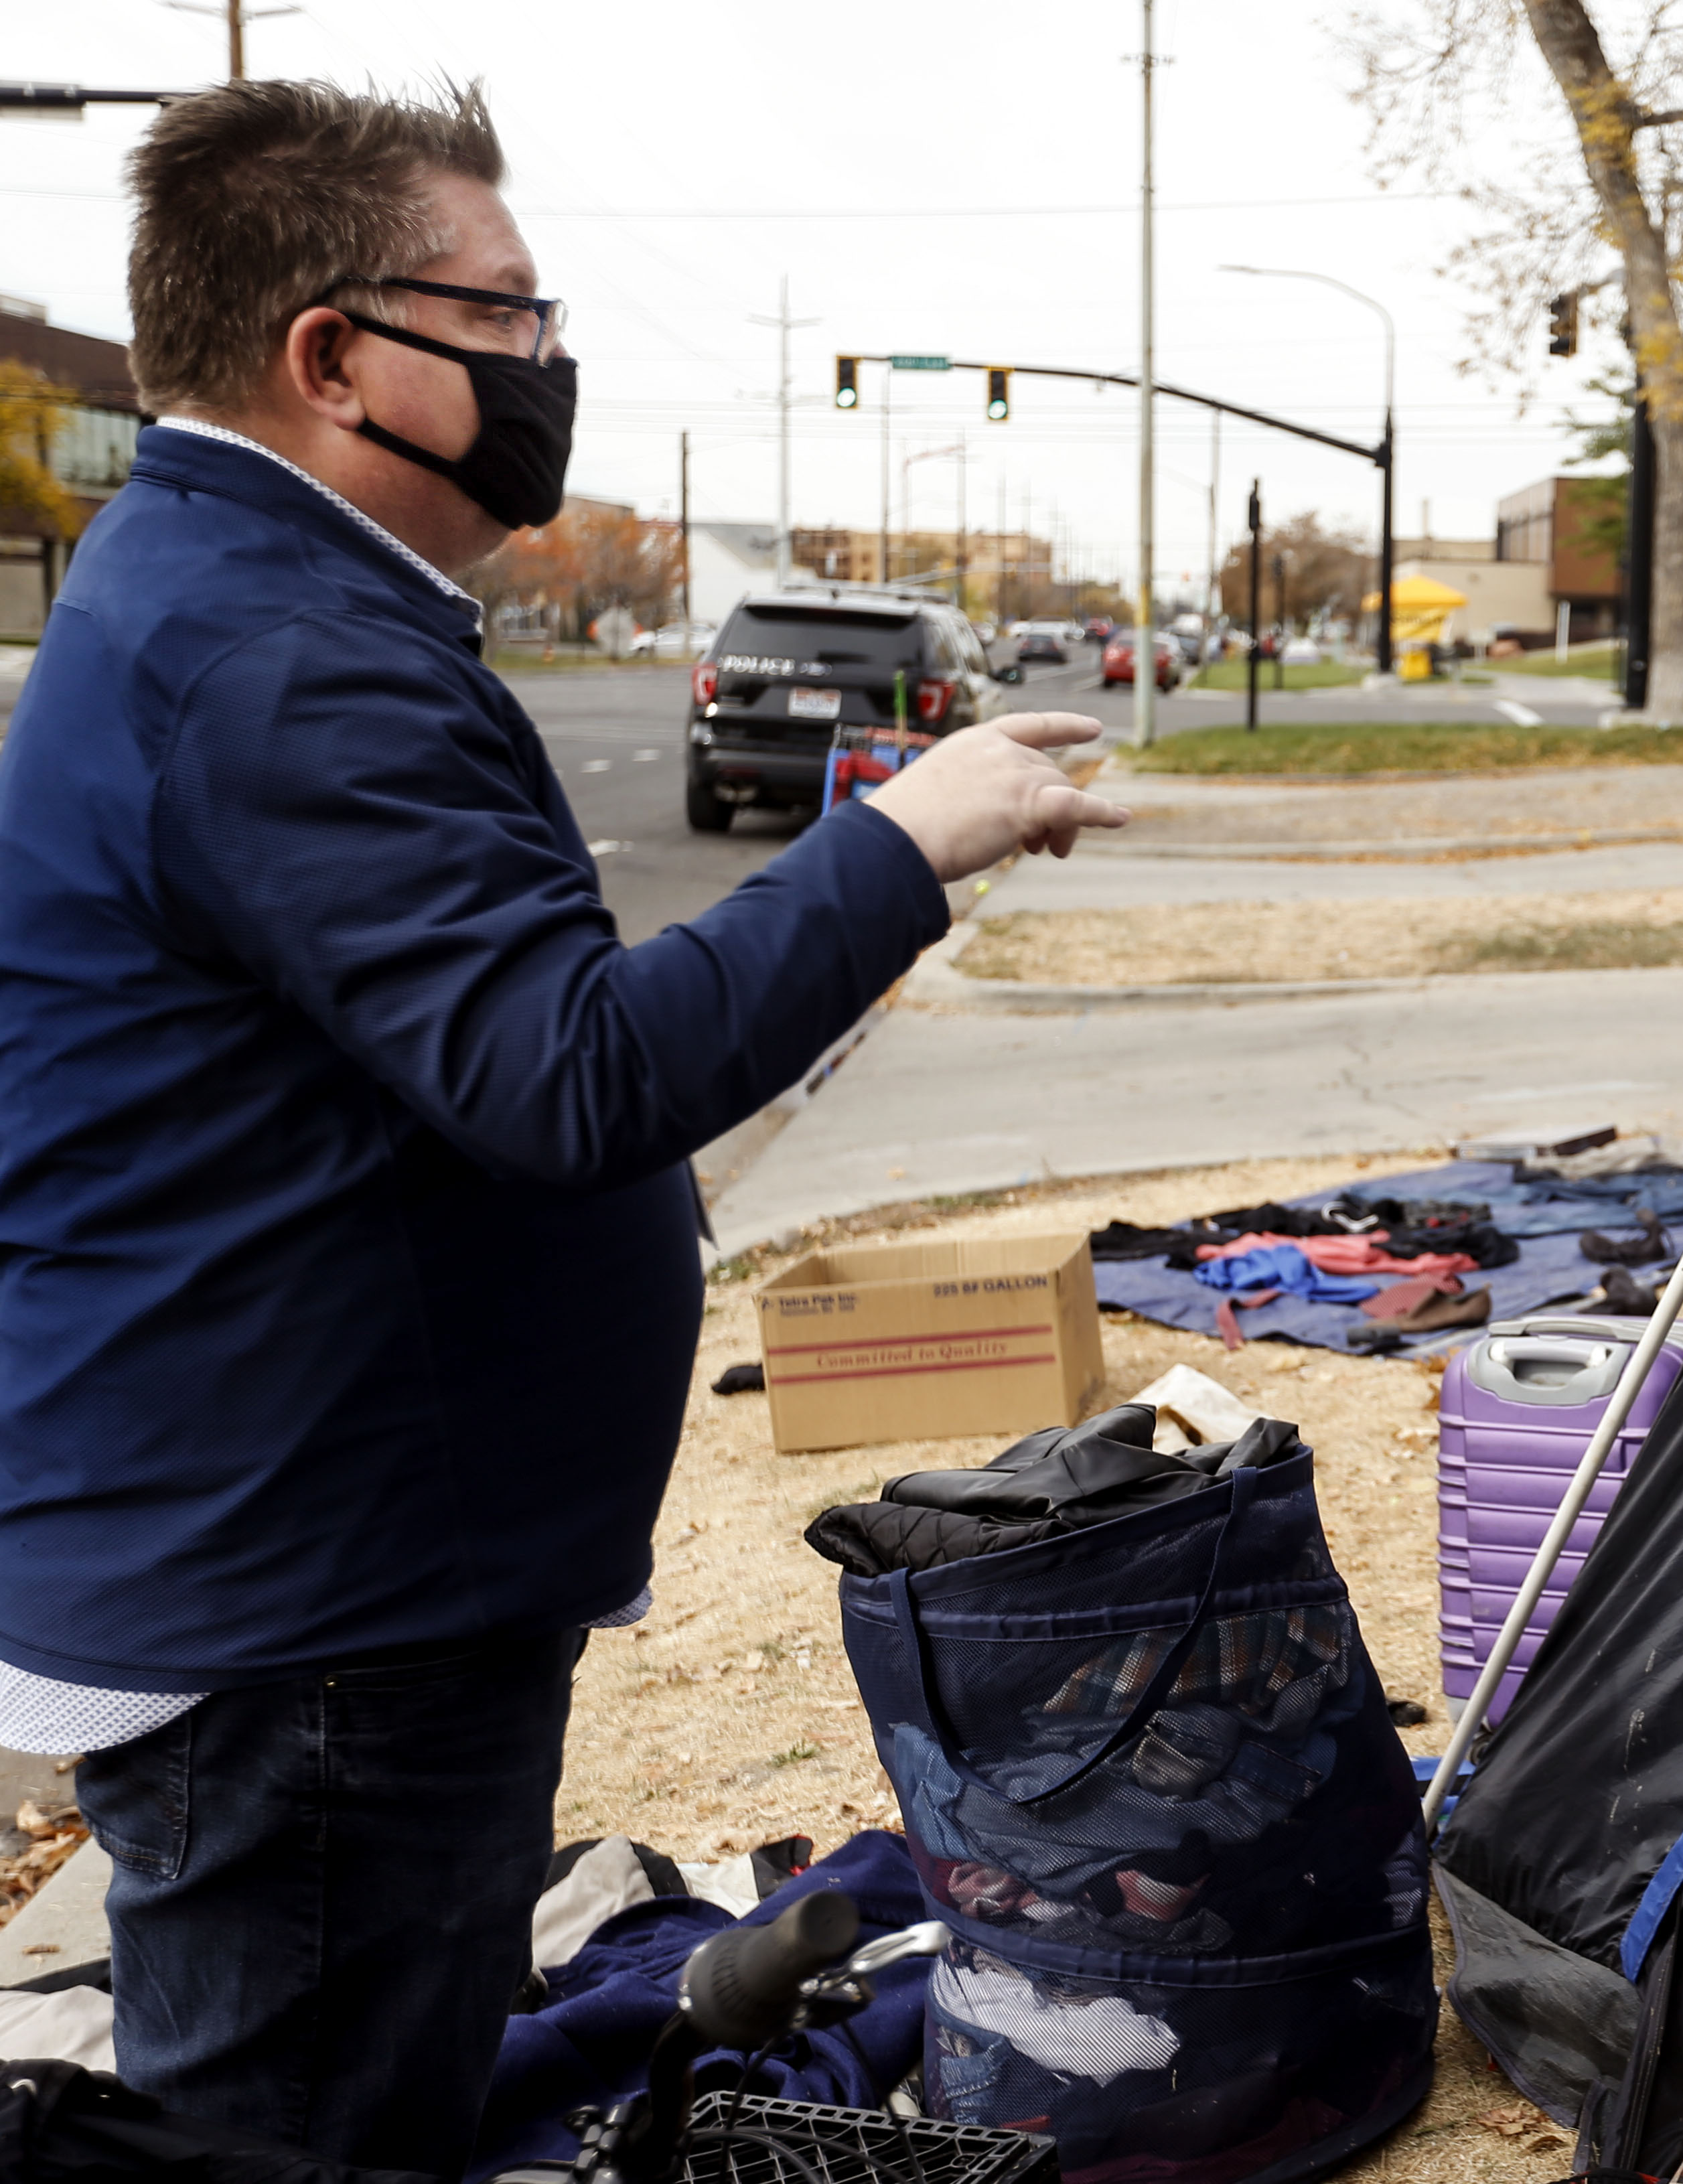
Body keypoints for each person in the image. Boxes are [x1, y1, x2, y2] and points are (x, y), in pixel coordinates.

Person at [0, 82, 1124, 2171]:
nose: (545, 364)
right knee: (304, 2137)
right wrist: (900, 841)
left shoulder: (257, 602)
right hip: (317, 1608)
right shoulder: (270, 653)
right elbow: (573, 1072)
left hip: (327, 1554)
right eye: (503, 316)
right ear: (332, 353)